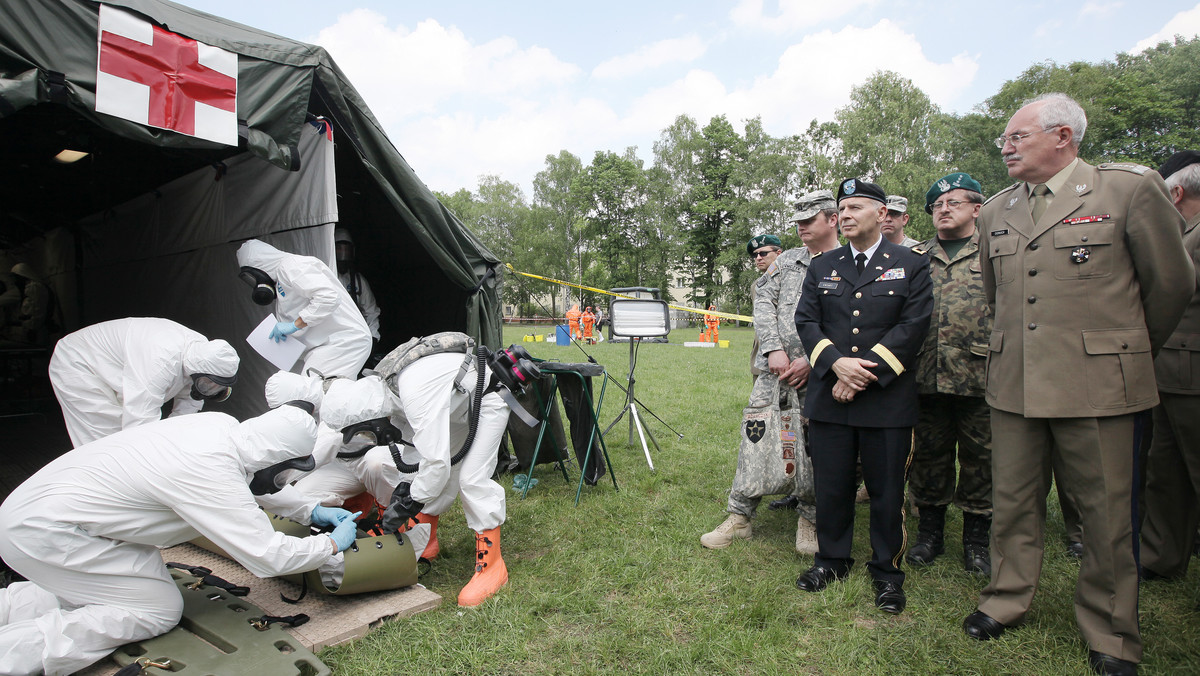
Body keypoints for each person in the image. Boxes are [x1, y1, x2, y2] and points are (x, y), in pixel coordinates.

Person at [964, 93, 1192, 676]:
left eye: (1017, 137)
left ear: (1063, 136)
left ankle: (1111, 631)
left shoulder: (1128, 190)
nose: (1006, 147)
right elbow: (998, 296)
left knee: (1108, 515)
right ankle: (1006, 599)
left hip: (1100, 388)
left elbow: (1168, 288)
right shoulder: (995, 211)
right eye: (1005, 140)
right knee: (1012, 505)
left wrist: (1122, 352)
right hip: (1014, 385)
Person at [0, 406, 357, 676]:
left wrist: (309, 510)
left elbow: (250, 480)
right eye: (287, 469)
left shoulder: (222, 428)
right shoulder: (207, 469)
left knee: (89, 587)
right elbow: (268, 558)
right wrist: (331, 545)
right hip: (49, 531)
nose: (286, 478)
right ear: (272, 458)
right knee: (155, 611)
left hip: (44, 513)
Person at [793, 178, 933, 616]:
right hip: (830, 397)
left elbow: (913, 327)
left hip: (885, 400)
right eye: (842, 208)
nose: (846, 215)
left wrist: (859, 374)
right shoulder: (823, 265)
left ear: (882, 214)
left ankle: (887, 573)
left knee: (887, 491)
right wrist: (836, 364)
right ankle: (831, 561)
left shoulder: (910, 263)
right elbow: (807, 321)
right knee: (832, 486)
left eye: (856, 207)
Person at [701, 191, 839, 555]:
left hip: (821, 374)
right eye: (799, 220)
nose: (801, 226)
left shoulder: (848, 263)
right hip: (772, 374)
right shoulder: (788, 261)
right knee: (756, 437)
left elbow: (851, 322)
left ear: (832, 219)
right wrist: (773, 348)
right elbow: (764, 302)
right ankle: (740, 515)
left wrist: (814, 359)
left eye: (810, 220)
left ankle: (810, 517)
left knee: (814, 447)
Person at [319, 351, 512, 607]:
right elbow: (415, 450)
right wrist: (406, 486)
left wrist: (412, 500)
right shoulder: (388, 395)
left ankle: (492, 567)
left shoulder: (413, 393)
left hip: (487, 399)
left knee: (471, 479)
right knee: (425, 471)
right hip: (454, 405)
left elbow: (437, 464)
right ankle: (427, 539)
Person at [906, 172, 994, 575]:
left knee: (983, 460)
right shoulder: (916, 258)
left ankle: (977, 540)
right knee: (928, 457)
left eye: (953, 203)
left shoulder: (995, 252)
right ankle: (930, 534)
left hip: (981, 376)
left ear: (977, 208)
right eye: (937, 205)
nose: (943, 209)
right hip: (926, 375)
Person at [1140, 150, 1200, 582]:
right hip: (1167, 375)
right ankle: (1161, 557)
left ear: (1174, 193)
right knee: (1165, 474)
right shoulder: (1181, 235)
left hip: (1192, 379)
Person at [48, 317, 240, 447]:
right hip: (79, 362)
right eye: (208, 384)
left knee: (123, 441)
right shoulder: (160, 362)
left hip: (113, 367)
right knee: (106, 442)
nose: (208, 389)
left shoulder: (202, 353)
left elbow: (187, 407)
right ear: (199, 372)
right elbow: (139, 425)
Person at [236, 239, 372, 381]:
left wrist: (295, 325)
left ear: (259, 265)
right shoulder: (282, 277)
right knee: (319, 394)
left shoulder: (291, 266)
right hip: (328, 346)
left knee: (312, 394)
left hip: (343, 341)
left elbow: (328, 297)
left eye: (252, 277)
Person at [334, 228, 381, 343]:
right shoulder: (325, 277)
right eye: (339, 249)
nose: (343, 254)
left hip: (355, 336)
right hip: (333, 336)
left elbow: (371, 311)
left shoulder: (358, 281)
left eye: (346, 250)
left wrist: (373, 336)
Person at [746, 234, 783, 376]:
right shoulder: (756, 285)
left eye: (763, 253)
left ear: (778, 253)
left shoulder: (792, 280)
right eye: (755, 255)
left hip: (789, 358)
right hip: (761, 360)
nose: (758, 258)